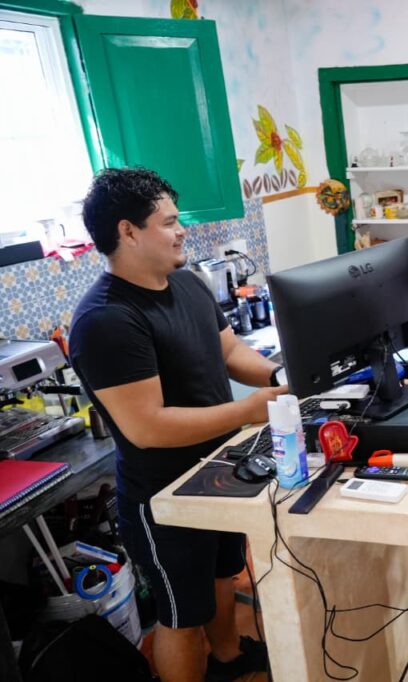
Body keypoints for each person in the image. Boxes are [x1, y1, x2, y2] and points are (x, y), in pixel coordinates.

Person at [69, 168, 289, 682]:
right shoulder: (106, 320)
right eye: (169, 222)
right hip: (162, 495)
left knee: (219, 577)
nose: (182, 230)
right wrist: (250, 409)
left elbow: (230, 352)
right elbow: (148, 427)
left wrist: (287, 376)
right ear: (128, 232)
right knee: (179, 618)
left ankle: (230, 661)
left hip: (218, 474)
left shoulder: (187, 284)